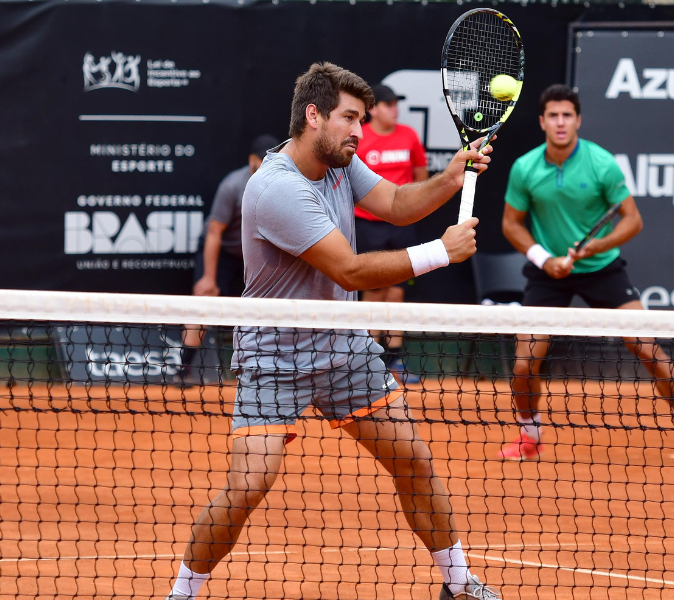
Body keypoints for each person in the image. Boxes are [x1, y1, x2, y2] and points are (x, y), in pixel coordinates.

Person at [166, 63, 501, 600]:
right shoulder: (274, 188)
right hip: (275, 357)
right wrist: (441, 252)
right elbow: (348, 270)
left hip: (345, 349)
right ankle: (182, 592)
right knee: (249, 485)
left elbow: (393, 204)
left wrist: (451, 176)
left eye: (363, 120)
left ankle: (459, 585)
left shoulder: (342, 164)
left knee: (413, 459)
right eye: (350, 118)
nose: (359, 131)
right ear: (313, 114)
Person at [498, 84, 674, 467]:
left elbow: (633, 220)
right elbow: (511, 224)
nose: (560, 122)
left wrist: (596, 247)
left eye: (567, 115)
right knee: (523, 365)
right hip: (547, 274)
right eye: (553, 115)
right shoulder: (525, 168)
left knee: (647, 349)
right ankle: (530, 435)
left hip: (602, 270)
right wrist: (544, 258)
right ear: (542, 121)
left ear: (578, 120)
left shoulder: (601, 163)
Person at [180, 134, 278, 378]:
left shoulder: (282, 185)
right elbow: (214, 233)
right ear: (251, 160)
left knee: (264, 306)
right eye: (262, 160)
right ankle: (183, 370)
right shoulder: (232, 186)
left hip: (254, 252)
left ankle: (261, 367)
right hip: (222, 249)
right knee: (203, 300)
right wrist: (210, 278)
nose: (266, 166)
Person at [354, 83, 429, 383]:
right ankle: (368, 359)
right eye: (387, 104)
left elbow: (421, 176)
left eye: (396, 103)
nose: (394, 109)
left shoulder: (409, 135)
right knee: (372, 291)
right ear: (372, 109)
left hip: (401, 226)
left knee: (397, 290)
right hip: (368, 225)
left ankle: (395, 358)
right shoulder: (361, 138)